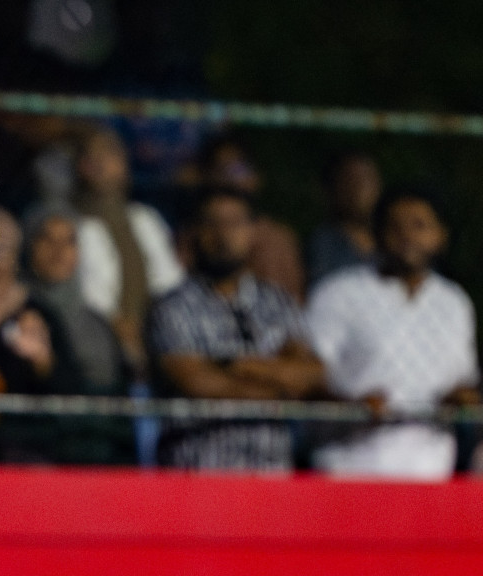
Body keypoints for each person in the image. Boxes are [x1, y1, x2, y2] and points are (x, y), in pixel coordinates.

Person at [306, 187, 478, 480]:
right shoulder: (339, 292)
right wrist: (352, 405)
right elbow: (307, 376)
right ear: (376, 233)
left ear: (441, 236)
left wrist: (461, 398)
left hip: (432, 474)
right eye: (395, 226)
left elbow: (465, 381)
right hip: (349, 468)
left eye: (420, 225)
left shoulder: (455, 302)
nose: (407, 236)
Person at [149, 188, 324, 472]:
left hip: (271, 474)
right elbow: (199, 383)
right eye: (211, 223)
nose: (223, 234)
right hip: (198, 471)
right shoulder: (172, 307)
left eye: (234, 223)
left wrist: (237, 365)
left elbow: (311, 375)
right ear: (194, 232)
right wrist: (281, 390)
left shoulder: (278, 302)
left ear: (254, 231)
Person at [0, 206, 134, 464]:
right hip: (37, 448)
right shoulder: (11, 308)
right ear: (28, 247)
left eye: (69, 241)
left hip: (103, 448)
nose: (59, 252)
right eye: (47, 239)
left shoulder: (100, 323)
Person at [73, 127, 184, 368]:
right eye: (91, 156)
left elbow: (170, 283)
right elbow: (81, 295)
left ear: (124, 163)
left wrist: (146, 326)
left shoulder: (145, 219)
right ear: (80, 165)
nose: (100, 162)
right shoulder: (72, 224)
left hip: (152, 332)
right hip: (95, 335)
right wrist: (118, 325)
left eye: (109, 153)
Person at [192, 135, 304, 300]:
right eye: (220, 169)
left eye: (237, 169)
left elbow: (294, 300)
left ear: (255, 177)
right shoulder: (194, 234)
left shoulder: (278, 239)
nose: (228, 178)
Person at [306, 152, 382, 286]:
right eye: (351, 181)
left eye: (367, 180)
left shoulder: (391, 240)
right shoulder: (322, 245)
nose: (360, 190)